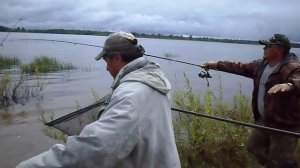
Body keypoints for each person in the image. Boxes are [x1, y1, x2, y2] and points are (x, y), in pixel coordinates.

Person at [17, 31, 181, 168]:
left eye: (106, 60)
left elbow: (96, 147)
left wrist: (31, 165)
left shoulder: (130, 94)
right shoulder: (154, 77)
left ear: (116, 58)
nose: (106, 68)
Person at [203, 34, 300, 168]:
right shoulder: (261, 65)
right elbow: (239, 67)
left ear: (279, 49)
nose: (264, 48)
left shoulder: (292, 67)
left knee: (280, 160)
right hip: (266, 119)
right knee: (253, 147)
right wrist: (216, 64)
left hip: (285, 124)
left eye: (268, 46)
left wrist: (289, 85)